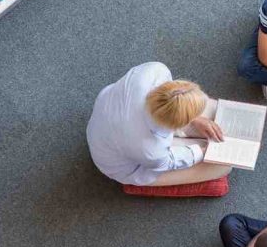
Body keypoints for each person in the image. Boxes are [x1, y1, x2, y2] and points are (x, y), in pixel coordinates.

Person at [86, 62, 232, 186]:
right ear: (177, 124)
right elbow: (171, 160)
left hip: (111, 119)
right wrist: (203, 151)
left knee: (213, 112)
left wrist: (196, 118)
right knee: (222, 168)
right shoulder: (151, 151)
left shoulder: (154, 71)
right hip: (126, 163)